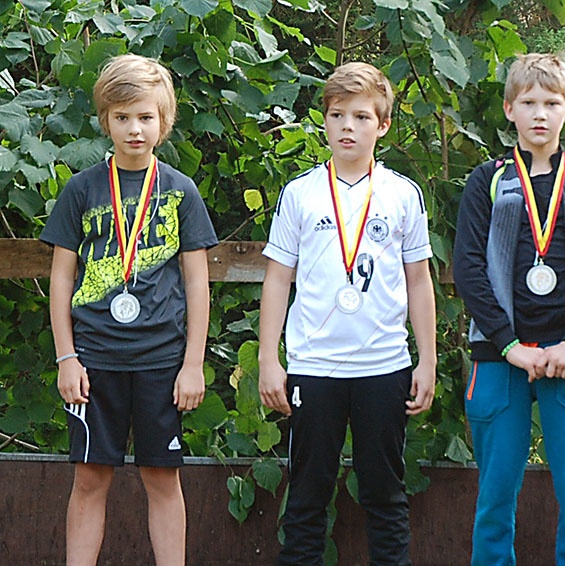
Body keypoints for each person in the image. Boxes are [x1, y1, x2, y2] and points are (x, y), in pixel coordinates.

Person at [40, 54, 218, 565]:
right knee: (90, 477)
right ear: (105, 120)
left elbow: (197, 282)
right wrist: (66, 358)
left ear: (164, 121)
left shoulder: (180, 191)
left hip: (162, 360)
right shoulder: (82, 189)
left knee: (162, 477)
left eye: (145, 117)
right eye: (122, 117)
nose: (134, 129)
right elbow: (60, 278)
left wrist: (193, 363)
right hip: (94, 359)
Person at [257, 61, 437, 566]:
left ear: (383, 125)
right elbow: (278, 279)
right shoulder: (300, 193)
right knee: (307, 497)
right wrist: (269, 359)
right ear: (325, 121)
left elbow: (419, 280)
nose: (347, 127)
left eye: (361, 117)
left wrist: (427, 360)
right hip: (314, 367)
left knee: (385, 495)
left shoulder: (402, 194)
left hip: (384, 366)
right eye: (337, 115)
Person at [453, 53, 565, 565]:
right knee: (495, 494)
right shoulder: (487, 180)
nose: (540, 114)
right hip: (499, 356)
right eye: (528, 102)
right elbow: (468, 269)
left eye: (551, 103)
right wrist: (509, 345)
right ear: (509, 109)